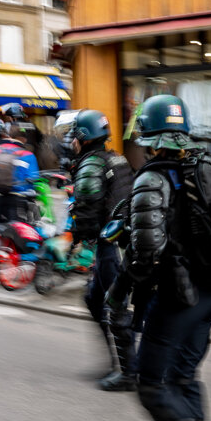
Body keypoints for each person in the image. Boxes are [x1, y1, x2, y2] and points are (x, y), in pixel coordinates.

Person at [105, 95, 211, 421]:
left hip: (177, 296)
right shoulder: (207, 169)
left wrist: (120, 290)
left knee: (153, 387)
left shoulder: (153, 178)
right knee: (183, 378)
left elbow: (146, 253)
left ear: (149, 137)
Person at [55, 109, 135, 391]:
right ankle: (120, 362)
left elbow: (88, 211)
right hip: (120, 241)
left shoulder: (91, 165)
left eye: (74, 135)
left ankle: (130, 372)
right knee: (94, 299)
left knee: (115, 306)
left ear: (84, 136)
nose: (71, 141)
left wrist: (75, 238)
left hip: (110, 245)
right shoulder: (117, 158)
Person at [0, 118, 39, 223]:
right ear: (24, 139)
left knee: (1, 224)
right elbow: (34, 178)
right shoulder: (28, 155)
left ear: (9, 136)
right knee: (17, 225)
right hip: (19, 196)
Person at [0, 103, 52, 168]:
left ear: (13, 117)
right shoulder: (32, 125)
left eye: (9, 117)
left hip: (18, 159)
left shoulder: (11, 126)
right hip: (34, 158)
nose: (9, 119)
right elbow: (41, 139)